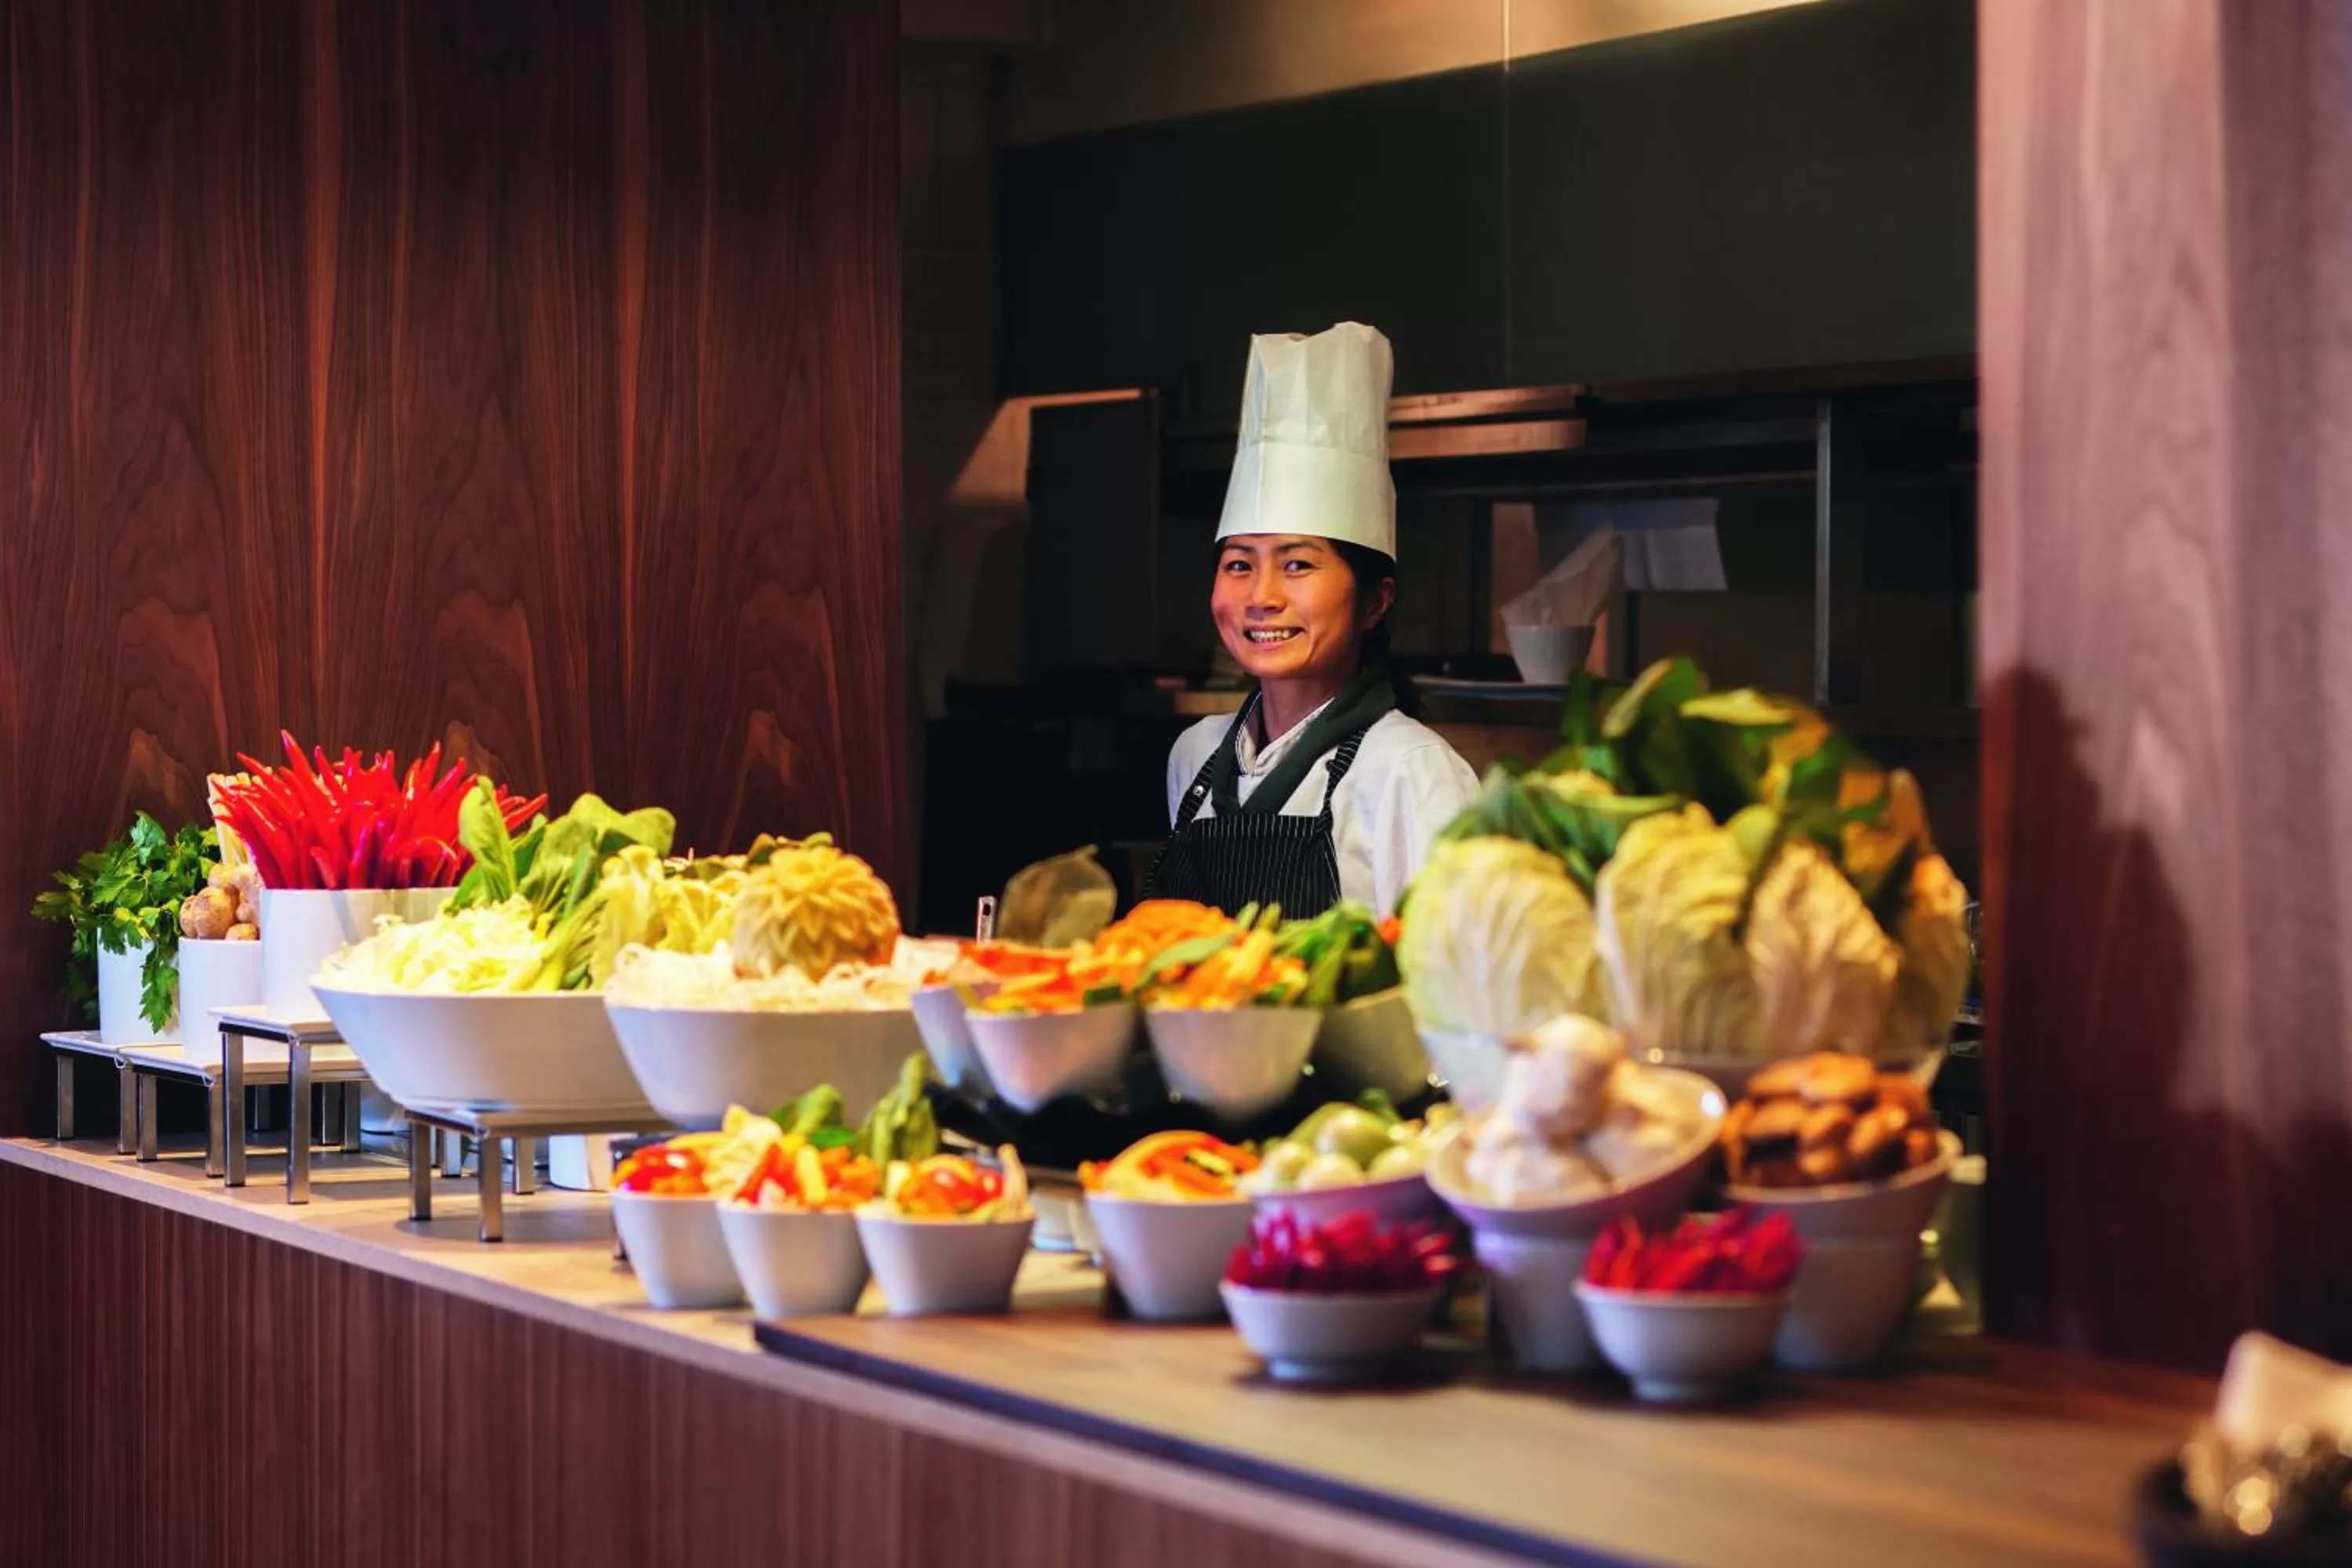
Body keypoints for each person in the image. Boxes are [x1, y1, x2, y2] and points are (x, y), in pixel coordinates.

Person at [1146, 321, 1479, 917]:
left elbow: (1449, 989)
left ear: (1375, 601)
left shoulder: (1410, 772)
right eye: (1239, 563)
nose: (1261, 596)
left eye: (1297, 564)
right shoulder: (1193, 756)